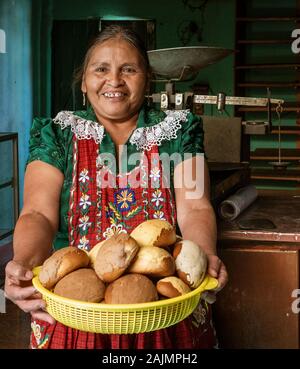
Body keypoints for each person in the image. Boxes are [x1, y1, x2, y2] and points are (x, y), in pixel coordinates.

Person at [4, 25, 228, 349]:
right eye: (101, 69)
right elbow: (38, 213)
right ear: (84, 81)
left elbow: (195, 205)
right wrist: (24, 263)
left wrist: (205, 254)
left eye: (129, 69)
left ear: (146, 79)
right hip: (75, 308)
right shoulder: (57, 134)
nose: (114, 80)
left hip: (164, 309)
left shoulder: (178, 131)